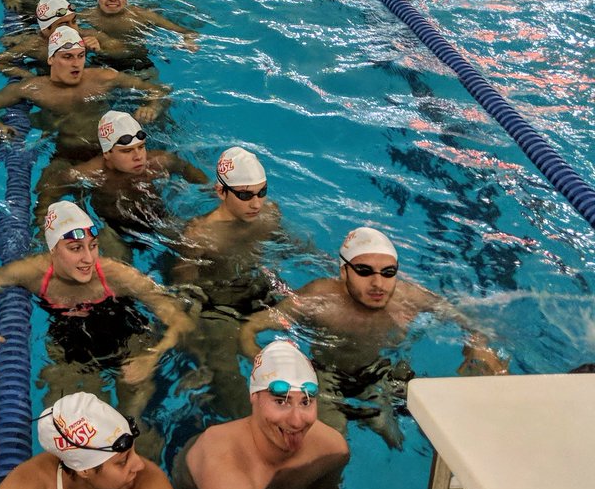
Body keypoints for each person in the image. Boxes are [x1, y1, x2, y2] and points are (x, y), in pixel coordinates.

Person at [239, 226, 507, 442]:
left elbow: (465, 318)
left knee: (400, 439)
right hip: (326, 377)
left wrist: (479, 344)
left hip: (379, 372)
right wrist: (264, 365)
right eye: (364, 271)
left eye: (388, 273)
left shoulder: (407, 297)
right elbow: (251, 326)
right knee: (333, 442)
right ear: (344, 272)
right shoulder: (319, 298)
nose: (378, 283)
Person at [0, 200, 192, 419]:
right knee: (65, 412)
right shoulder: (32, 273)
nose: (88, 259)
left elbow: (180, 321)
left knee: (133, 424)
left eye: (93, 245)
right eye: (76, 248)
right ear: (53, 250)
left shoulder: (117, 275)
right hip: (70, 341)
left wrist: (153, 354)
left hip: (129, 337)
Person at [173, 340, 349, 489]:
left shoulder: (331, 450)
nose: (297, 421)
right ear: (254, 396)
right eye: (281, 401)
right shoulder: (223, 469)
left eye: (306, 402)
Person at [170, 147, 287, 419]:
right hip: (218, 305)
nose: (256, 204)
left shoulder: (270, 215)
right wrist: (195, 341)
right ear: (221, 192)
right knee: (229, 375)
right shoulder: (199, 233)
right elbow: (184, 291)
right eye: (245, 195)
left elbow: (288, 246)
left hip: (258, 288)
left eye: (262, 192)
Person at [0, 391, 178, 489]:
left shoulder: (149, 484)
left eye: (134, 452)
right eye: (122, 462)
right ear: (85, 471)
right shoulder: (29, 486)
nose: (140, 465)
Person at [0, 26, 169, 160]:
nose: (76, 63)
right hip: (66, 152)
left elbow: (157, 90)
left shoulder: (104, 77)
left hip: (111, 150)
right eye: (67, 57)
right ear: (51, 59)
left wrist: (152, 106)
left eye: (80, 56)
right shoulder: (32, 89)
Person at [41, 111, 207, 254]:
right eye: (127, 151)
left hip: (156, 217)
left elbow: (186, 169)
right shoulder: (90, 173)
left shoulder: (158, 161)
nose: (138, 156)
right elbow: (49, 190)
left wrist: (206, 188)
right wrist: (44, 233)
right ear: (107, 154)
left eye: (141, 147)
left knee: (199, 244)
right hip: (111, 227)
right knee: (119, 259)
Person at [0, 0, 118, 80]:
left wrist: (101, 51)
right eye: (64, 24)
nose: (73, 29)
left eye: (74, 21)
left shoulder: (87, 35)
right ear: (45, 30)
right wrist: (26, 75)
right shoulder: (35, 46)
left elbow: (123, 50)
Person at [81, 0, 199, 50]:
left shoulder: (141, 15)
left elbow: (187, 31)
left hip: (139, 60)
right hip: (100, 58)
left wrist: (188, 41)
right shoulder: (86, 15)